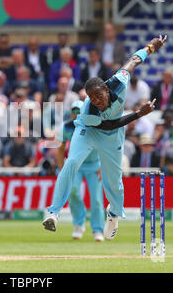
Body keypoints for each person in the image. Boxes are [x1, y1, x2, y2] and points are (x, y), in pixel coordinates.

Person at [42, 35, 166, 240]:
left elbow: (134, 60)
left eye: (99, 96)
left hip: (113, 136)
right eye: (92, 98)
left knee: (114, 181)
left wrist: (151, 47)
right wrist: (138, 114)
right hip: (90, 131)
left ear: (106, 89)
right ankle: (53, 213)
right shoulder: (88, 112)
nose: (97, 101)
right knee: (71, 162)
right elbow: (110, 123)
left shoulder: (120, 81)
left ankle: (114, 214)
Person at [56, 100, 104, 242]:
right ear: (71, 112)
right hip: (76, 165)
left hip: (94, 165)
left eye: (79, 111)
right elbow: (60, 149)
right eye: (74, 111)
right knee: (72, 191)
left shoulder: (95, 124)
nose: (76, 114)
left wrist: (104, 166)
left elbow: (104, 146)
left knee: (96, 198)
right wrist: (61, 169)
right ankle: (79, 224)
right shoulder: (67, 127)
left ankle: (98, 229)